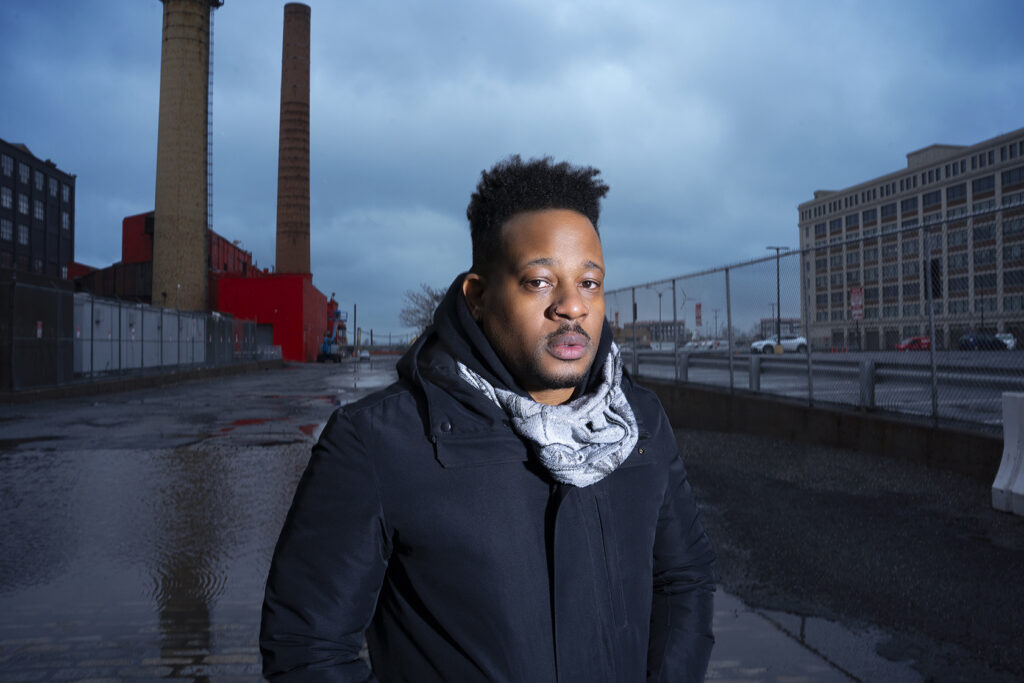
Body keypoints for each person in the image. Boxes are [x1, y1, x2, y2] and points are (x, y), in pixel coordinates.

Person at [260, 155, 716, 681]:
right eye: (540, 281)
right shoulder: (379, 443)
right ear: (477, 297)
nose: (572, 306)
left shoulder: (639, 424)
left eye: (590, 282)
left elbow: (684, 580)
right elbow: (307, 651)